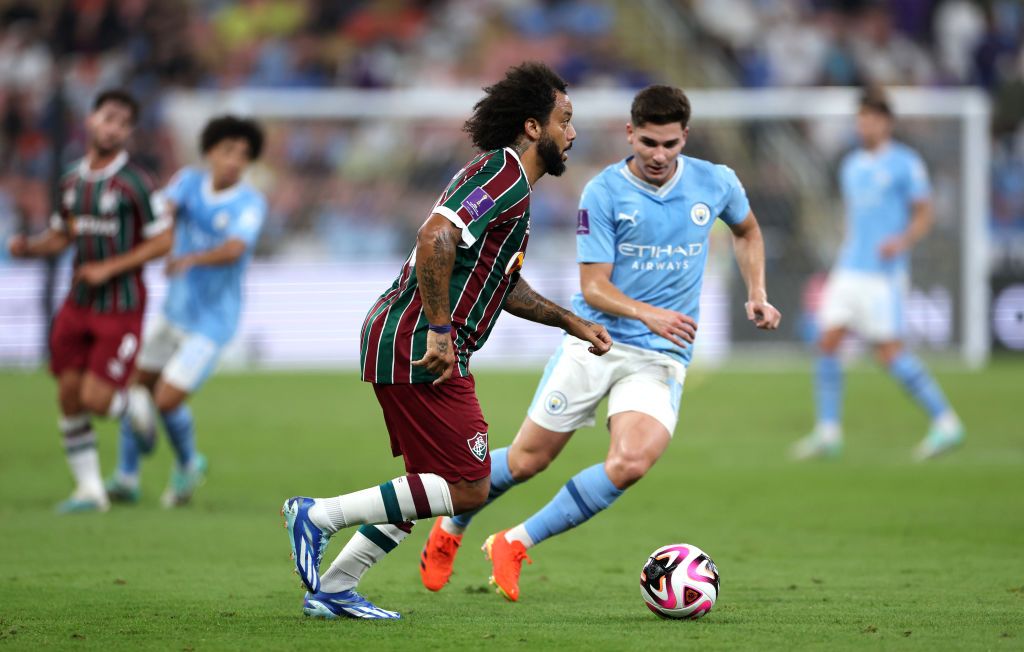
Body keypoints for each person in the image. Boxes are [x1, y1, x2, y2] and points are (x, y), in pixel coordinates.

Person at [418, 85, 782, 602]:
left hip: (660, 354)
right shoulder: (604, 192)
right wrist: (648, 313)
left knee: (631, 462)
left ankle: (516, 542)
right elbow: (593, 287)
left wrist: (757, 293)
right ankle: (451, 528)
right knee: (526, 461)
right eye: (649, 142)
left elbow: (747, 232)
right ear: (631, 134)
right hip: (595, 340)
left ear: (685, 138)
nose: (659, 155)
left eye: (671, 144)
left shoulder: (715, 182)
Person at [280, 62, 612, 620]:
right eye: (565, 120)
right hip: (420, 338)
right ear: (533, 127)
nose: (572, 133)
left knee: (426, 485)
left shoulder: (512, 190)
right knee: (468, 489)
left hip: (408, 334)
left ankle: (335, 587)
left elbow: (500, 284)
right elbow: (435, 234)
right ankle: (315, 516)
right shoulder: (502, 175)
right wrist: (439, 330)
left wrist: (568, 321)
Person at [6, 89, 171, 513]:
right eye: (107, 117)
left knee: (98, 400)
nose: (113, 127)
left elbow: (163, 241)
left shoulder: (137, 182)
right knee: (68, 395)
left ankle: (132, 402)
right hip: (77, 303)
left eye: (122, 122)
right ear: (91, 120)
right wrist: (32, 247)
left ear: (128, 132)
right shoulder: (70, 180)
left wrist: (110, 267)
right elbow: (64, 234)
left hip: (121, 304)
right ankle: (90, 491)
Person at [792, 88, 964, 462]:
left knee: (889, 353)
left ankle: (946, 422)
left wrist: (903, 240)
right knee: (827, 343)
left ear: (886, 123)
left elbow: (924, 213)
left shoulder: (906, 163)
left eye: (870, 118)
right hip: (848, 268)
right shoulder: (850, 165)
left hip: (882, 276)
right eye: (860, 119)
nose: (864, 125)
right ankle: (828, 432)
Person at [105, 115, 267, 507]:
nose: (235, 161)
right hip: (173, 311)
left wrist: (189, 257)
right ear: (210, 151)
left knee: (164, 400)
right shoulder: (187, 182)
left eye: (244, 155)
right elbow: (163, 214)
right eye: (228, 151)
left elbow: (234, 249)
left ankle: (188, 462)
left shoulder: (249, 202)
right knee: (135, 387)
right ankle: (127, 477)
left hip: (212, 323)